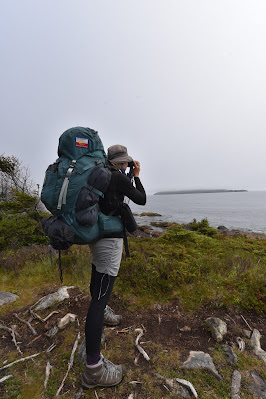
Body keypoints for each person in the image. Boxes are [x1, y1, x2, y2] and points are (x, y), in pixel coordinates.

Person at [82, 144, 146, 389]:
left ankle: (103, 313)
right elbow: (141, 199)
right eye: (126, 163)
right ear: (123, 162)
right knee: (98, 300)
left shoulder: (96, 174)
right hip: (110, 240)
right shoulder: (118, 177)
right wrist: (136, 177)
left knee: (96, 279)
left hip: (95, 236)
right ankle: (93, 369)